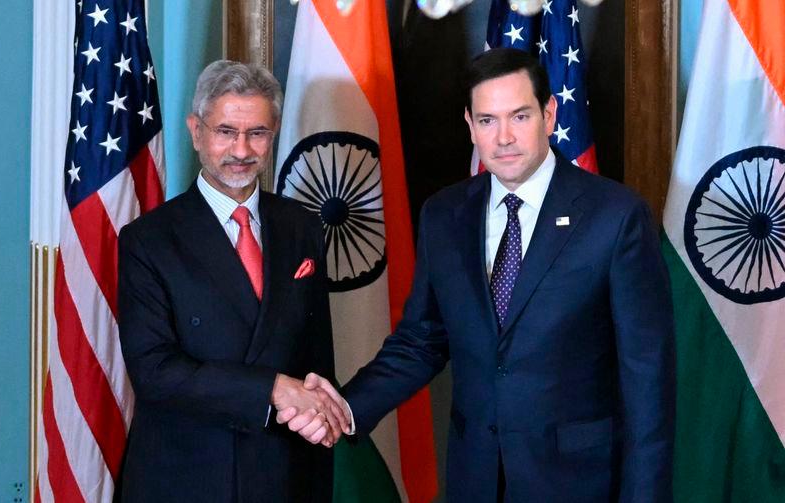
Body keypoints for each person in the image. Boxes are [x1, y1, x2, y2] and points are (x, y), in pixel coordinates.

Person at [297, 47, 675, 501]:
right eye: (488, 120)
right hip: (474, 477)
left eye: (519, 116)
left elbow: (647, 380)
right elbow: (422, 339)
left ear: (549, 114)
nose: (504, 138)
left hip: (578, 482)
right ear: (470, 126)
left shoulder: (616, 217)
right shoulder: (444, 215)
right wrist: (345, 406)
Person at [117, 60, 350, 503]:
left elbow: (318, 356)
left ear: (275, 131)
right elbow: (154, 372)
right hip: (186, 478)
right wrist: (273, 388)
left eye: (257, 133)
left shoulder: (301, 226)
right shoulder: (148, 240)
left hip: (285, 475)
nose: (241, 150)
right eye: (226, 131)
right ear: (196, 130)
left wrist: (322, 426)